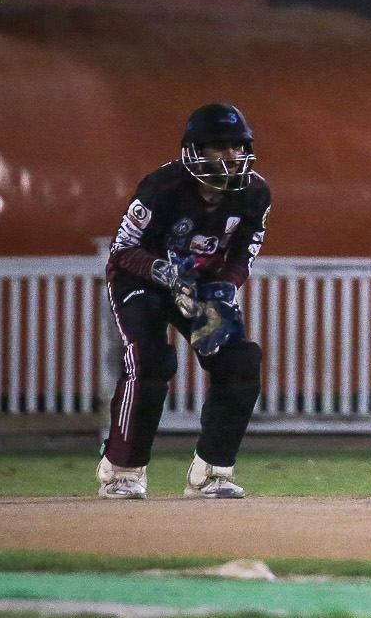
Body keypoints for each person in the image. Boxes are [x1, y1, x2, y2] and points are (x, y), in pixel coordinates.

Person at [96, 103, 271, 499]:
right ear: (195, 150)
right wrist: (163, 271)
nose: (231, 155)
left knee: (239, 362)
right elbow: (122, 250)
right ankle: (122, 470)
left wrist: (225, 287)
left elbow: (244, 251)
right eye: (219, 147)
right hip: (142, 278)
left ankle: (210, 471)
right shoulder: (162, 187)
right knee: (150, 360)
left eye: (237, 146)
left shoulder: (255, 193)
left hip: (201, 283)